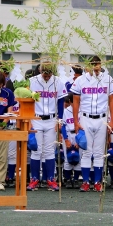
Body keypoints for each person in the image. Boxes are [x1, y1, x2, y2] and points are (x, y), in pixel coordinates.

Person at [71, 56, 113, 192]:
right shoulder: (80, 80)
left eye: (97, 64)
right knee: (85, 151)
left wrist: (112, 120)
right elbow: (75, 102)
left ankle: (97, 182)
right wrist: (75, 122)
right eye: (92, 64)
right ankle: (85, 182)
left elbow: (112, 101)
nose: (95, 67)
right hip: (85, 118)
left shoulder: (107, 79)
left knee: (98, 152)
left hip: (102, 118)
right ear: (87, 66)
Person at [28, 62, 67, 191]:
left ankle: (50, 179)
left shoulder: (58, 81)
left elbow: (61, 102)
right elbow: (27, 102)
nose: (47, 76)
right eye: (45, 73)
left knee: (49, 151)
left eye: (49, 73)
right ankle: (34, 179)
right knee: (36, 150)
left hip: (51, 119)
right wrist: (28, 120)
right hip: (36, 118)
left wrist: (59, 121)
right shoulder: (32, 81)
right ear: (40, 71)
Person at [60, 94, 82, 188]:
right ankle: (68, 179)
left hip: (79, 134)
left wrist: (79, 140)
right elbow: (63, 126)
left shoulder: (82, 111)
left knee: (78, 158)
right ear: (70, 102)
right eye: (74, 101)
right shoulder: (66, 111)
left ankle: (76, 179)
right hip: (69, 134)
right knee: (67, 157)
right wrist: (66, 139)